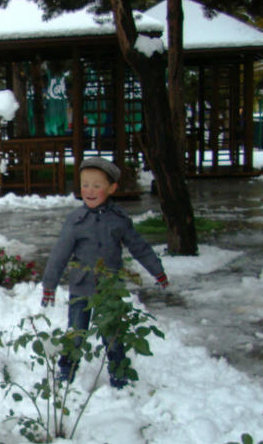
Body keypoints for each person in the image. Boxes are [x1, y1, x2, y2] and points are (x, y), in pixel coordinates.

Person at [41, 156, 168, 389]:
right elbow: (59, 254)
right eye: (84, 184)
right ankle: (66, 373)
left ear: (111, 188)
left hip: (110, 289)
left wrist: (157, 271)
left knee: (113, 335)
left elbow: (138, 246)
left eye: (96, 185)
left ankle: (119, 375)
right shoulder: (75, 221)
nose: (89, 190)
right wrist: (49, 285)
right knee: (76, 334)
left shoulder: (118, 220)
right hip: (81, 288)